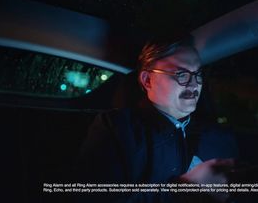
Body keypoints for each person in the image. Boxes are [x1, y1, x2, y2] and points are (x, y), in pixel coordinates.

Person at [77, 35, 238, 202]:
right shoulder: (117, 128)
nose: (193, 84)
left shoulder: (218, 136)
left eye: (197, 74)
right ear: (147, 80)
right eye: (181, 74)